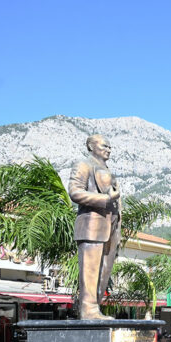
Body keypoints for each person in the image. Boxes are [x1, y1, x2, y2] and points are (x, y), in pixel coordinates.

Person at [68, 134, 122, 320]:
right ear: (91, 146)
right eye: (104, 146)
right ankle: (88, 309)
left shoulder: (105, 168)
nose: (108, 149)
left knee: (103, 273)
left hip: (110, 228)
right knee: (90, 272)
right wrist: (105, 199)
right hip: (92, 226)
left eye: (110, 146)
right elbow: (75, 192)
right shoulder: (84, 165)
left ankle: (95, 308)